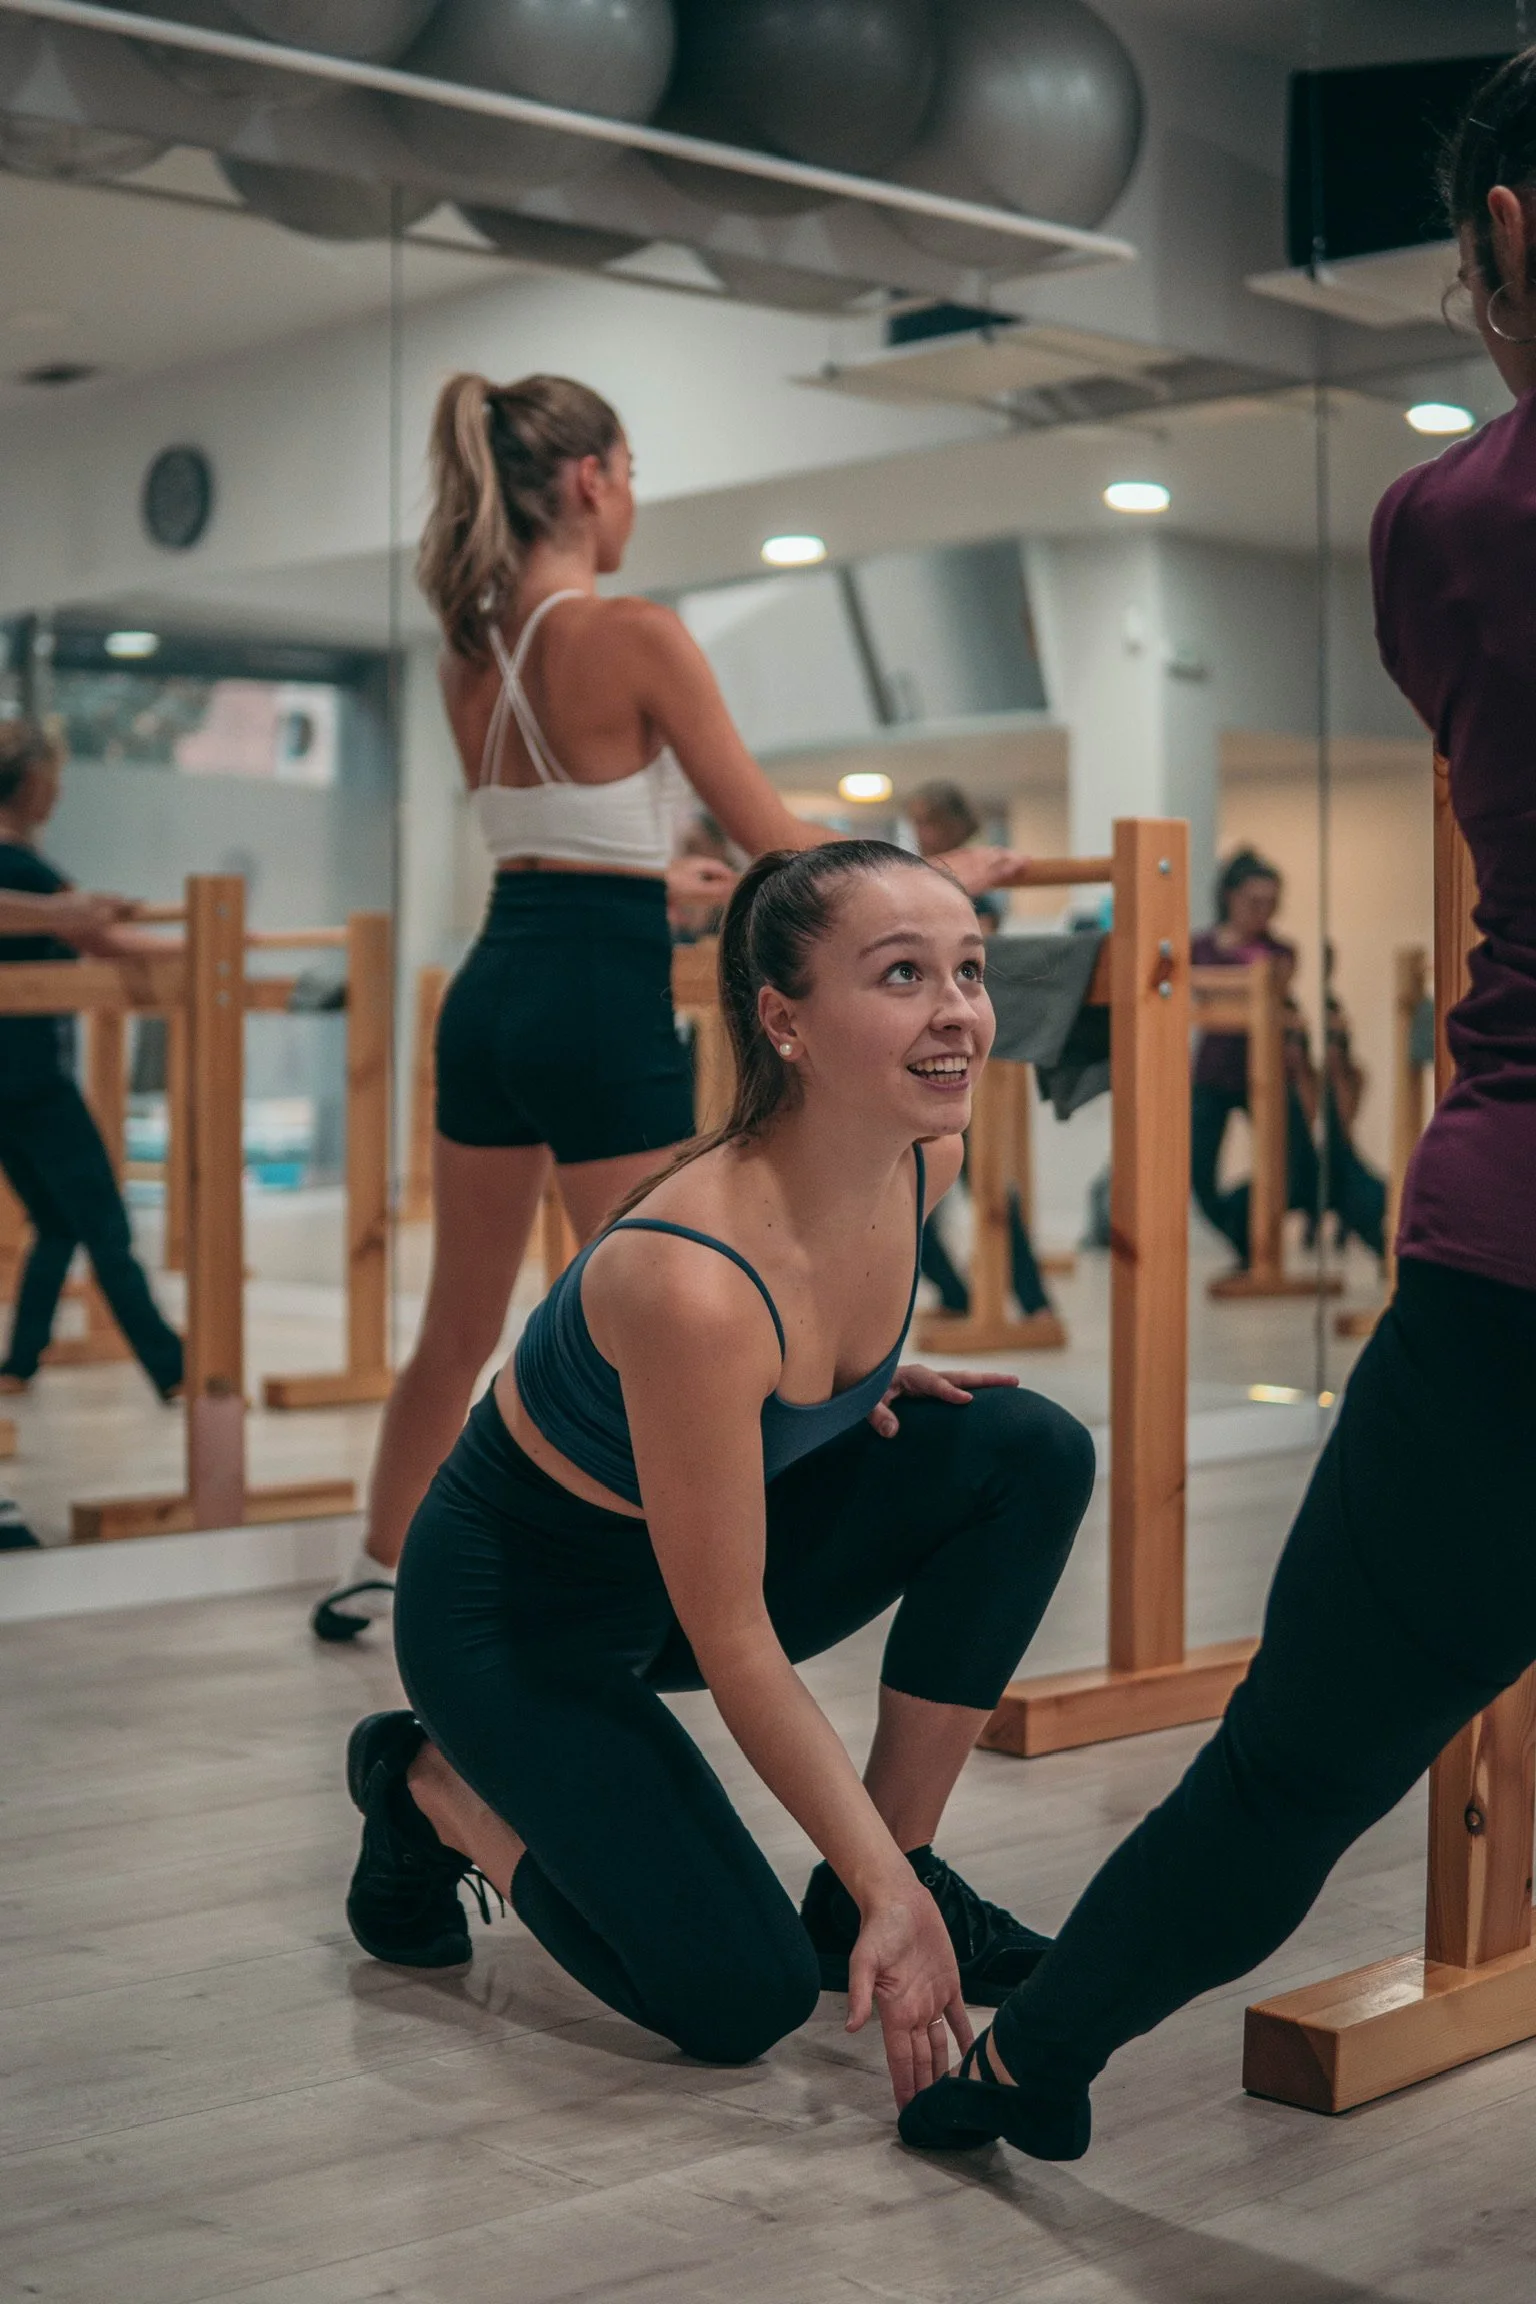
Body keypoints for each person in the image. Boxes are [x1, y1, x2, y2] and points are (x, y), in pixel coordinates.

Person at [898, 47, 1536, 2160]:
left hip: (1508, 1278)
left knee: (1295, 1758)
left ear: (1506, 241)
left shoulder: (1442, 528)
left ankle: (1030, 2056)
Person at [343, 841, 1096, 2103]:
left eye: (968, 969)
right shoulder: (690, 1282)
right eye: (903, 974)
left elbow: (796, 1356)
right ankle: (434, 1788)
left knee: (1026, 1450)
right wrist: (887, 1905)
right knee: (736, 2000)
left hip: (679, 1558)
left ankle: (892, 1868)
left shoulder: (924, 1158)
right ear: (783, 1021)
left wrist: (837, 1393)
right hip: (516, 1621)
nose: (958, 1010)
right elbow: (737, 1636)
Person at [314, 375, 1020, 1643]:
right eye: (630, 473)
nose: (631, 500)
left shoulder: (469, 656)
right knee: (681, 1303)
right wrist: (938, 884)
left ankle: (384, 1562)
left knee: (461, 1313)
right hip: (595, 996)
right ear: (592, 480)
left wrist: (667, 878)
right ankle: (649, 1590)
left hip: (494, 987)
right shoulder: (632, 631)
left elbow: (560, 839)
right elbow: (784, 844)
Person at [0, 719, 184, 1401]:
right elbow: (108, 943)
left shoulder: (31, 881)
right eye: (54, 777)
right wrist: (216, 943)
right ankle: (174, 1371)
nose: (59, 790)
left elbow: (95, 931)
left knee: (54, 1222)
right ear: (34, 784)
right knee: (105, 1224)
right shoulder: (31, 875)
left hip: (9, 1088)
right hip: (35, 1082)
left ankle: (19, 1364)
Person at [905, 780, 1052, 1321]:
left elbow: (971, 957)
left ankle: (1032, 1298)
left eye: (928, 821)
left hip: (963, 1053)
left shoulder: (968, 888)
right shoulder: (920, 882)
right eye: (916, 822)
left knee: (984, 1182)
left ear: (951, 825)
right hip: (922, 1051)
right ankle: (959, 1292)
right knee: (917, 1182)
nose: (921, 832)